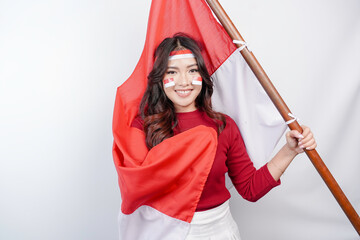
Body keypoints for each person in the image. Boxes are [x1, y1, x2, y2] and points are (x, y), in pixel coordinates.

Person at [130, 33, 317, 240]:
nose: (184, 81)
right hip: (163, 232)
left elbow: (250, 189)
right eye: (172, 71)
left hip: (218, 232)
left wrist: (289, 151)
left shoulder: (224, 126)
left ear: (202, 74)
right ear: (160, 78)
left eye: (192, 70)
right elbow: (135, 189)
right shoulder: (142, 128)